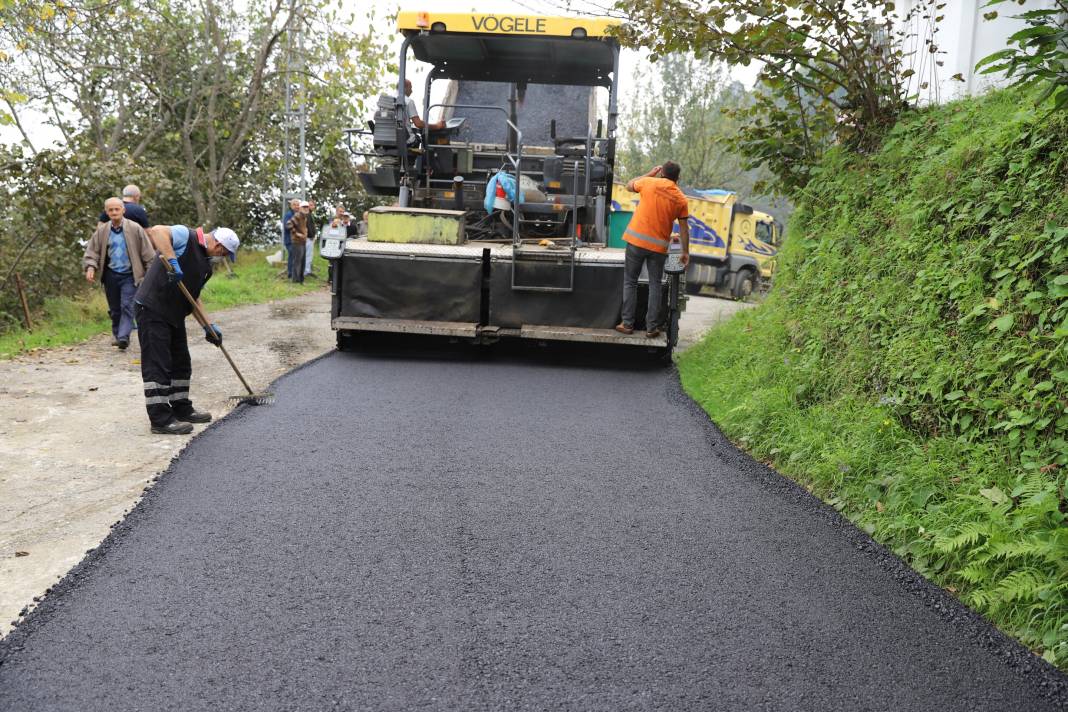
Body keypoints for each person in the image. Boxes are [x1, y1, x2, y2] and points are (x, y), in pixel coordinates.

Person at [134, 224, 240, 435]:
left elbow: (193, 298)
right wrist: (172, 260)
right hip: (152, 308)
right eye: (225, 253)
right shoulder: (186, 235)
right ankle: (161, 419)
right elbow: (157, 231)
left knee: (181, 363)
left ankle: (181, 408)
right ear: (219, 246)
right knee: (158, 364)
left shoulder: (206, 266)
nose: (223, 257)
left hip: (174, 313)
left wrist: (208, 326)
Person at [615, 162, 690, 339]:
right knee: (655, 284)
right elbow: (684, 229)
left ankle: (627, 324)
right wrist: (685, 252)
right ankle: (651, 328)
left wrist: (650, 173)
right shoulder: (681, 199)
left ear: (661, 172)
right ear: (677, 179)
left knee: (630, 281)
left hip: (636, 242)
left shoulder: (648, 182)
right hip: (658, 248)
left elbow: (629, 185)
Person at [83, 197, 156, 349]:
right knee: (115, 309)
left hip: (130, 275)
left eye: (117, 209)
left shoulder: (135, 228)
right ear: (106, 212)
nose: (114, 212)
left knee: (127, 305)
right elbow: (92, 251)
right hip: (111, 274)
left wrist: (150, 273)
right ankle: (118, 334)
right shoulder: (102, 231)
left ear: (123, 210)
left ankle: (123, 337)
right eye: (111, 210)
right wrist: (91, 267)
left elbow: (147, 252)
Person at [286, 201, 309, 284]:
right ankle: (295, 280)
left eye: (307, 207)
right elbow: (288, 224)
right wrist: (296, 233)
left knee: (302, 261)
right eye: (304, 207)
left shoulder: (304, 217)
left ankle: (301, 280)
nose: (306, 208)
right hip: (297, 241)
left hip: (303, 241)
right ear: (301, 208)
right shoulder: (298, 215)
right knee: (297, 261)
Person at [282, 197, 299, 279]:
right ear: (291, 206)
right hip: (290, 240)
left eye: (297, 205)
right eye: (294, 205)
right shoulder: (288, 215)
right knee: (292, 256)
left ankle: (295, 273)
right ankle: (290, 273)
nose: (296, 206)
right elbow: (287, 226)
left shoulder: (299, 214)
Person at [304, 199, 317, 277]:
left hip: (311, 238)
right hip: (308, 238)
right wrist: (312, 236)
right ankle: (306, 271)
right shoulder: (307, 214)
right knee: (307, 255)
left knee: (309, 255)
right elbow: (307, 227)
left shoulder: (311, 214)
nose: (310, 206)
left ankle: (307, 270)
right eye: (309, 205)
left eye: (312, 205)